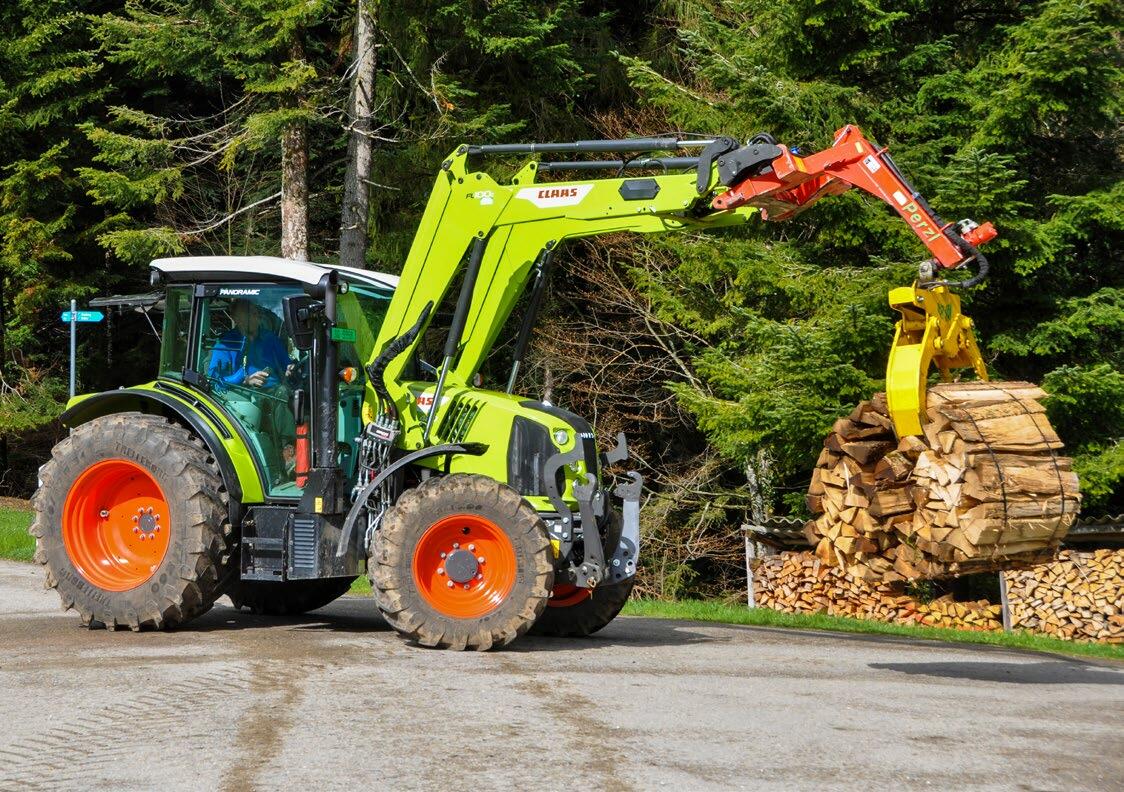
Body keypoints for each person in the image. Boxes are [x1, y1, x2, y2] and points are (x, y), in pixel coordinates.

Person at [207, 298, 299, 483]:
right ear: (237, 318)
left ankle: (293, 452)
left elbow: (287, 363)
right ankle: (287, 452)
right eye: (251, 313)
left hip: (272, 390)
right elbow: (214, 380)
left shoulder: (269, 338)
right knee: (281, 395)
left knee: (289, 394)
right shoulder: (226, 343)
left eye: (256, 312)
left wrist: (291, 368)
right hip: (239, 396)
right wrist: (245, 379)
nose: (256, 316)